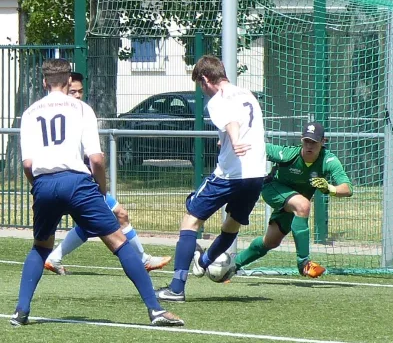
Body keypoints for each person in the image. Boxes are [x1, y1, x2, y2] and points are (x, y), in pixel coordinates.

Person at [10, 59, 183, 327]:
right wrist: (100, 191)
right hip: (78, 182)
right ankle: (155, 310)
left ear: (44, 83)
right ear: (69, 83)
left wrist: (38, 187)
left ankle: (20, 312)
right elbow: (97, 159)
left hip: (44, 183)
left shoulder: (31, 113)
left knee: (40, 246)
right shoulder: (81, 109)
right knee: (118, 240)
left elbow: (28, 164)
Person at [155, 55, 266, 302]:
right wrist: (226, 140)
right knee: (231, 226)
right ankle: (203, 261)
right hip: (256, 173)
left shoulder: (218, 100)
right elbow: (245, 124)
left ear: (206, 79)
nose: (202, 91)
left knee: (190, 221)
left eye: (200, 85)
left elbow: (232, 122)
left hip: (230, 174)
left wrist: (234, 140)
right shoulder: (247, 94)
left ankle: (176, 288)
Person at [44, 72, 171, 275]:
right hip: (78, 182)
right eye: (73, 91)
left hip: (76, 181)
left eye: (80, 92)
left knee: (89, 224)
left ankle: (54, 256)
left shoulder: (80, 113)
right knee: (120, 214)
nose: (77, 95)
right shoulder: (70, 114)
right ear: (64, 88)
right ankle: (143, 260)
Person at [235, 121, 353, 278]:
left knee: (270, 242)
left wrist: (329, 188)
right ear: (301, 140)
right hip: (273, 190)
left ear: (323, 142)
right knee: (304, 205)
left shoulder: (328, 160)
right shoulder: (289, 154)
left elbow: (347, 188)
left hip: (293, 203)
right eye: (307, 141)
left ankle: (231, 265)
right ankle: (304, 263)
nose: (309, 146)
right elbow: (258, 147)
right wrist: (232, 141)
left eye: (314, 142)